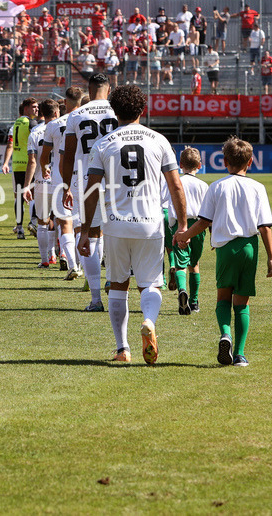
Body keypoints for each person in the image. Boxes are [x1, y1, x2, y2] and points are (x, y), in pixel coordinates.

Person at [78, 84, 188, 364]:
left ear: (114, 111)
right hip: (150, 224)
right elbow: (176, 186)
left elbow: (92, 190)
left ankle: (122, 349)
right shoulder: (159, 140)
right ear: (143, 109)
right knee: (151, 284)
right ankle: (149, 321)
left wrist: (86, 230)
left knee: (117, 285)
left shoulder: (104, 143)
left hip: (115, 225)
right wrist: (183, 225)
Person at [174, 137, 272, 367]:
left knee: (223, 298)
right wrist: (271, 259)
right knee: (242, 303)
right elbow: (265, 227)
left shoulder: (217, 187)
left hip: (225, 249)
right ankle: (239, 354)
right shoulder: (258, 188)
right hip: (249, 248)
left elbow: (203, 222)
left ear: (224, 160)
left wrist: (184, 236)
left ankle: (225, 335)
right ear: (250, 162)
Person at [60, 74, 118, 311]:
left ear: (89, 90)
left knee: (90, 235)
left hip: (87, 181)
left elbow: (68, 154)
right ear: (109, 89)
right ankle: (111, 281)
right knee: (115, 232)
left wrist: (66, 186)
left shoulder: (75, 114)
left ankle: (96, 300)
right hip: (117, 179)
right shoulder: (117, 111)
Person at [39, 86, 84, 279]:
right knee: (82, 224)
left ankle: (73, 265)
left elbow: (44, 155)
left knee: (64, 222)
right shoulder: (87, 120)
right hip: (83, 176)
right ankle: (86, 263)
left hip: (60, 178)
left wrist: (44, 168)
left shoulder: (53, 125)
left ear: (64, 103)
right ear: (80, 101)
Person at [164, 147, 209, 315]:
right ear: (199, 165)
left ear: (180, 164)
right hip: (198, 226)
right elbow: (208, 212)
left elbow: (170, 205)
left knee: (180, 263)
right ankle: (194, 301)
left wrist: (172, 227)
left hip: (178, 225)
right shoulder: (204, 186)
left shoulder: (176, 183)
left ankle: (182, 290)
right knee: (194, 264)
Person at [23, 99, 59, 268]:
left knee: (43, 222)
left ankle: (45, 259)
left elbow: (32, 161)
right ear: (57, 112)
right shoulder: (64, 129)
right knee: (62, 219)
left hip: (41, 181)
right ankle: (61, 254)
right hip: (60, 180)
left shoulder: (35, 132)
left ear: (42, 113)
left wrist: (26, 185)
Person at [1, 97, 38, 239]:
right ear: (26, 108)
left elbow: (10, 145)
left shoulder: (15, 124)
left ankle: (20, 227)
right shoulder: (31, 123)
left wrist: (6, 162)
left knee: (19, 198)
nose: (36, 109)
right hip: (29, 164)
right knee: (33, 194)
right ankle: (33, 222)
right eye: (33, 107)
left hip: (17, 165)